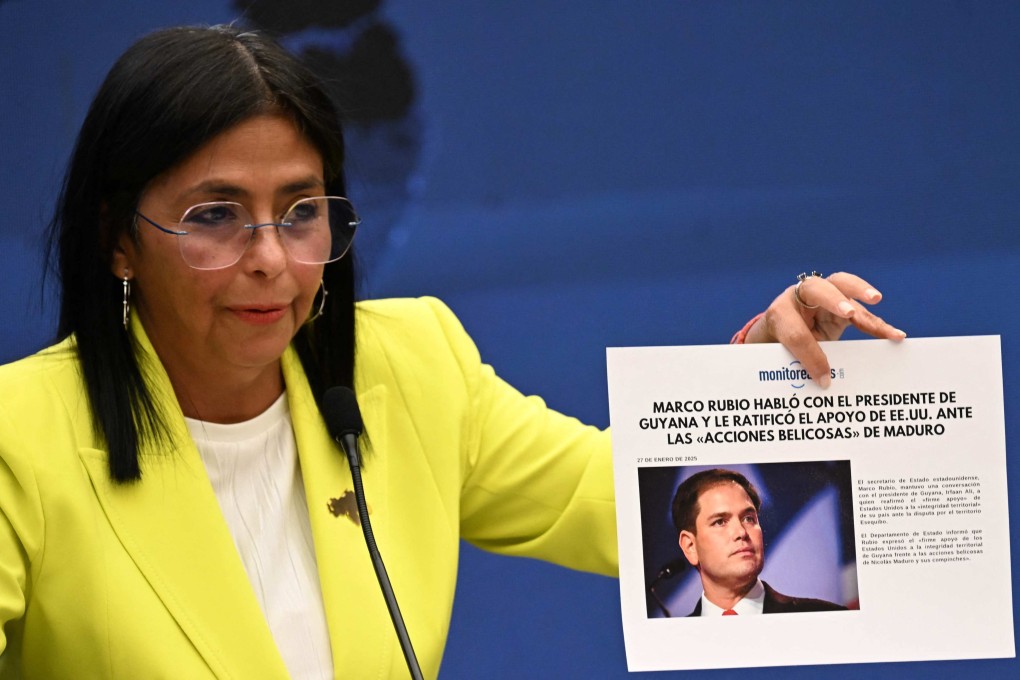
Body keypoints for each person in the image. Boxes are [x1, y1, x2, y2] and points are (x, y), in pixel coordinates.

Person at [0, 24, 901, 680]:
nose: (272, 259)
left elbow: (641, 502)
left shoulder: (410, 367)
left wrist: (779, 369)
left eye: (302, 210)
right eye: (215, 215)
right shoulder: (20, 438)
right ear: (120, 239)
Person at [672, 468, 848, 616]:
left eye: (749, 519)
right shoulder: (671, 640)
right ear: (690, 546)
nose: (741, 532)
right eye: (720, 522)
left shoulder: (827, 616)